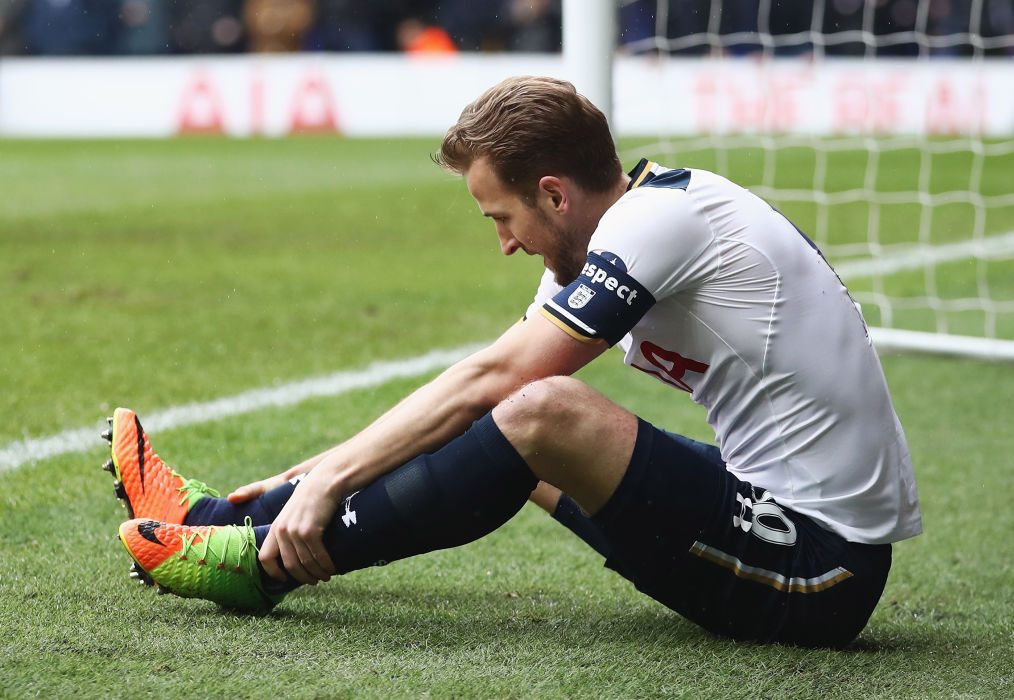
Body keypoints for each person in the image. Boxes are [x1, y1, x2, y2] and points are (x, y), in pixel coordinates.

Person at [107, 76, 921, 647]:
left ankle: (260, 569)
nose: (504, 243)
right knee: (507, 430)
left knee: (541, 411)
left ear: (556, 194)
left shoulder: (662, 224)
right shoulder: (614, 231)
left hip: (823, 570)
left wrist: (325, 487)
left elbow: (504, 384)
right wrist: (300, 479)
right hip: (764, 514)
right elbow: (468, 400)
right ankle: (221, 524)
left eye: (503, 216)